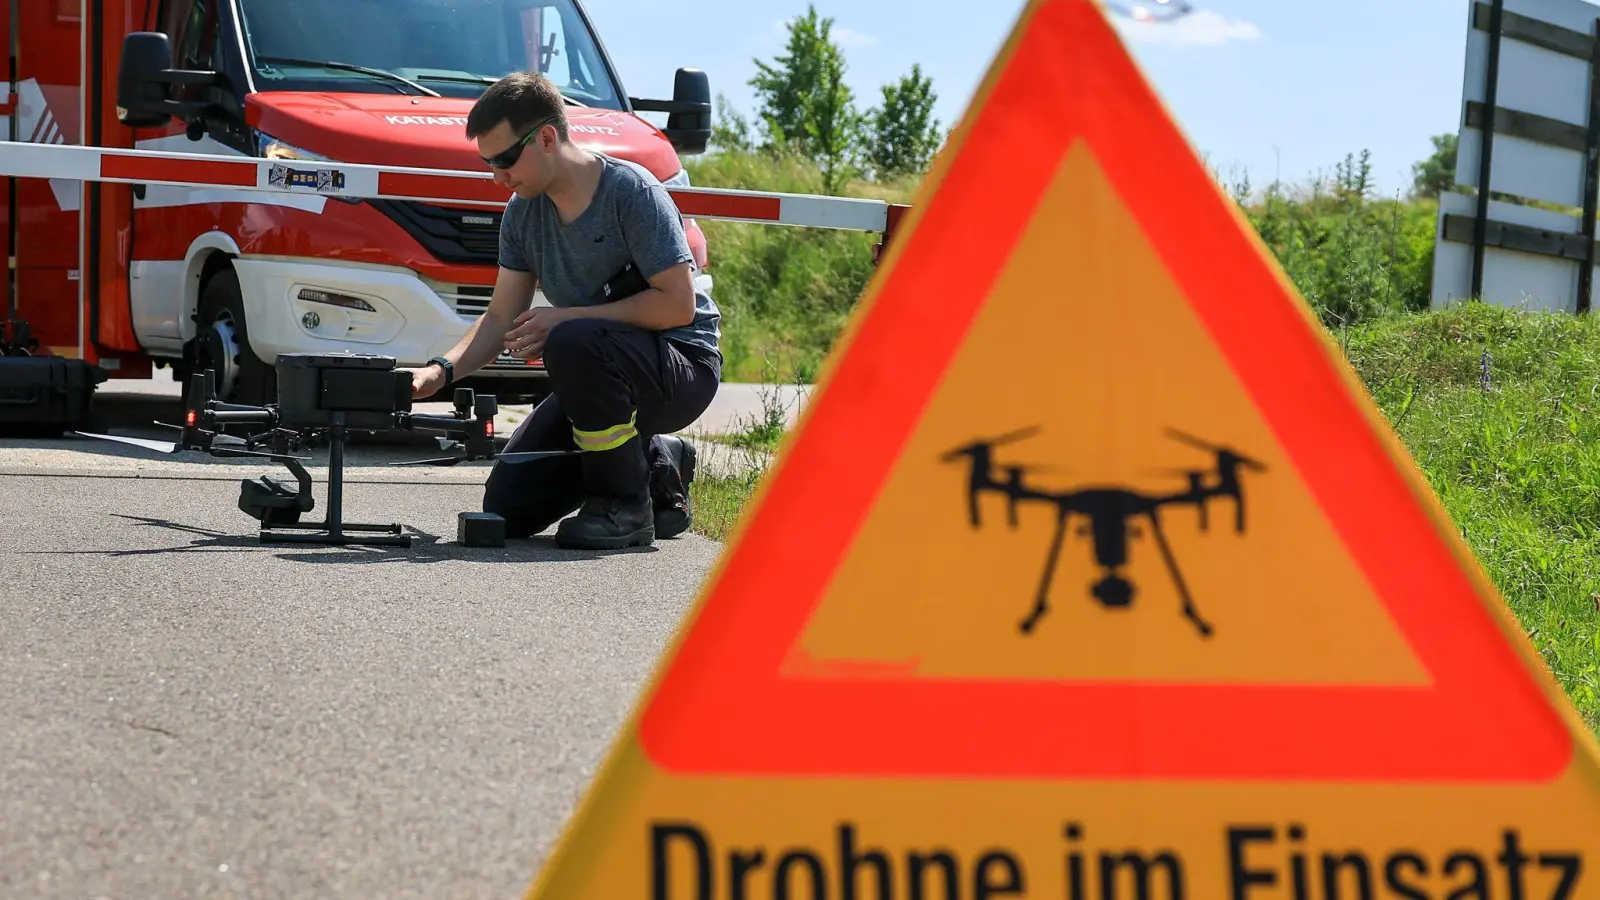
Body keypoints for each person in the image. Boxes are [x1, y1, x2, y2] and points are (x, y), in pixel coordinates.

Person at [399, 71, 722, 550]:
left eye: (505, 159)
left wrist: (567, 319)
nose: (498, 176)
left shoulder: (632, 192)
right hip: (597, 369)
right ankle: (657, 463)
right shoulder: (522, 213)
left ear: (546, 137)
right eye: (488, 162)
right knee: (508, 508)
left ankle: (624, 507)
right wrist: (438, 374)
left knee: (572, 340)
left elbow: (677, 306)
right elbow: (499, 319)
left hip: (680, 366)